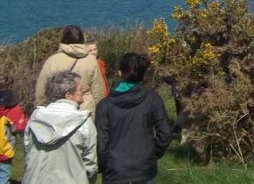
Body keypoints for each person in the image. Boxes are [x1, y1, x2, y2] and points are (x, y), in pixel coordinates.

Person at [96, 53, 170, 184]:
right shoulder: (153, 99)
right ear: (142, 73)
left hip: (115, 170)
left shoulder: (104, 105)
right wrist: (152, 154)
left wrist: (102, 166)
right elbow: (165, 133)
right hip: (144, 169)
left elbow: (102, 142)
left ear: (120, 73)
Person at [22, 71, 98, 184]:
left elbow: (27, 153)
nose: (83, 91)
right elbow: (90, 163)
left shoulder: (36, 117)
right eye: (80, 88)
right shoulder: (84, 122)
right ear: (68, 95)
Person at [35, 25, 106, 115]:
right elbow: (98, 90)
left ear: (64, 39)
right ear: (82, 40)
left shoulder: (52, 61)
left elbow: (41, 90)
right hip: (85, 110)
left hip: (58, 110)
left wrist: (42, 108)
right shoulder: (91, 60)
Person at [0, 90, 28, 184]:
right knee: (4, 174)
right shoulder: (13, 112)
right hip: (5, 151)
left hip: (4, 151)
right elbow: (18, 128)